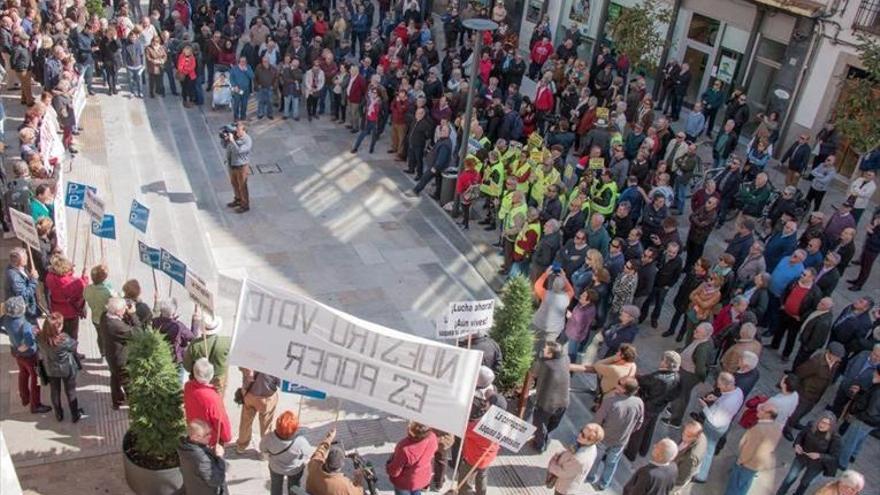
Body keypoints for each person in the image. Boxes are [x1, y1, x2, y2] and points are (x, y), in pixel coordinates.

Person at [586, 376, 644, 491]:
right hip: (621, 440)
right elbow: (639, 423)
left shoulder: (610, 402)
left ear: (623, 389)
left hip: (603, 438)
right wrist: (627, 432)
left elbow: (597, 421)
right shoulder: (639, 403)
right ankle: (604, 483)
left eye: (619, 383)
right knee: (611, 463)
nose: (616, 384)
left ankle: (590, 477)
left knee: (595, 459)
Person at [624, 351, 681, 460]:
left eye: (663, 360)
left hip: (647, 406)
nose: (661, 361)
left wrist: (635, 374)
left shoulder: (659, 377)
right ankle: (643, 449)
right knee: (649, 429)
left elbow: (642, 381)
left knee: (638, 430)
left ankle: (631, 453)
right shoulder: (677, 377)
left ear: (666, 363)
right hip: (658, 407)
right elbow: (676, 394)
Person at [0, 296, 51, 414]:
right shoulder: (26, 326)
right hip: (31, 356)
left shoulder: (6, 319)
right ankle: (35, 405)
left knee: (23, 374)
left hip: (16, 353)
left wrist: (8, 335)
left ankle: (25, 398)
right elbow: (29, 342)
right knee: (36, 379)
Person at [785, 343, 844, 440]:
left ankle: (795, 422)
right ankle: (787, 427)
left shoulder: (835, 363)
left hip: (816, 394)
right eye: (836, 356)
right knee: (797, 411)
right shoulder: (816, 362)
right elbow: (800, 372)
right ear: (829, 353)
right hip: (805, 392)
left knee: (806, 410)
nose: (839, 359)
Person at [693, 371, 743, 483]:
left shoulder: (728, 403)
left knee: (708, 450)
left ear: (727, 385)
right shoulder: (738, 391)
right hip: (724, 424)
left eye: (720, 386)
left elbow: (714, 420)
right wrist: (716, 399)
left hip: (714, 427)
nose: (718, 388)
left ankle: (701, 476)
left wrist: (705, 407)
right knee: (708, 448)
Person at [776, 412, 841, 495]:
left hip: (817, 464)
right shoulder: (811, 425)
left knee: (804, 483)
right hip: (802, 457)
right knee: (790, 478)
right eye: (821, 421)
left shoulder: (835, 438)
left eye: (827, 424)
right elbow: (800, 436)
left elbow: (834, 457)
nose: (822, 425)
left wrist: (819, 455)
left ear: (831, 426)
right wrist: (797, 445)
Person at [665, 322, 715, 428]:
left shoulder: (702, 348)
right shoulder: (703, 340)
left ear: (706, 335)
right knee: (679, 393)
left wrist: (701, 379)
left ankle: (675, 420)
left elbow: (700, 368)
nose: (694, 332)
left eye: (697, 331)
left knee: (681, 396)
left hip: (689, 374)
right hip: (686, 371)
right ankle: (673, 409)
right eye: (695, 329)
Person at [724, 403, 781, 495]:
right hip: (757, 465)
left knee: (734, 487)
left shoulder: (759, 429)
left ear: (768, 414)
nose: (759, 409)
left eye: (762, 409)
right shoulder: (777, 427)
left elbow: (749, 450)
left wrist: (741, 461)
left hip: (746, 464)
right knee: (743, 486)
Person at [529, 341, 570, 452]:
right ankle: (546, 438)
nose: (543, 351)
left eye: (545, 350)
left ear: (551, 354)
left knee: (539, 424)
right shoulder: (565, 359)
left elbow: (534, 372)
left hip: (546, 403)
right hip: (564, 401)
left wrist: (540, 359)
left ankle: (539, 445)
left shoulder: (546, 365)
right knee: (552, 424)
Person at [836, 365, 879, 470]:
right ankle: (853, 455)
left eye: (876, 372)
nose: (873, 373)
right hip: (872, 422)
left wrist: (858, 415)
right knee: (860, 439)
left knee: (849, 440)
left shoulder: (878, 390)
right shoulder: (877, 386)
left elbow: (871, 411)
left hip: (864, 420)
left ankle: (842, 462)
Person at [183, 358, 232, 447]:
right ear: (211, 375)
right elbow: (221, 421)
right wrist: (226, 438)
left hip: (193, 432)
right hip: (208, 439)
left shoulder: (188, 386)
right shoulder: (212, 397)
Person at [261, 411, 312, 495]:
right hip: (294, 470)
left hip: (275, 467)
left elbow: (262, 449)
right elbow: (307, 453)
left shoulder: (269, 438)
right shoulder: (300, 442)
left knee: (275, 487)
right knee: (294, 488)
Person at [547, 423, 604, 495]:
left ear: (590, 441)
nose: (579, 435)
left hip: (564, 488)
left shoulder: (580, 459)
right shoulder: (591, 447)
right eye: (581, 431)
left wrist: (553, 463)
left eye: (583, 435)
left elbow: (563, 473)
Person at [45, 255, 89, 344]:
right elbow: (83, 288)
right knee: (72, 335)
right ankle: (73, 352)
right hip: (71, 312)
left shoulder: (49, 277)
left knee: (60, 331)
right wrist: (85, 277)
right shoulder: (74, 283)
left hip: (57, 309)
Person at [184, 313, 231, 397]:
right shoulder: (226, 342)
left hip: (200, 379)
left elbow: (187, 366)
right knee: (217, 400)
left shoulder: (194, 345)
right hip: (218, 379)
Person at [306, 427, 362, 495]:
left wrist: (329, 438)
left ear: (326, 459)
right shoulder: (344, 485)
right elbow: (358, 493)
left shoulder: (314, 463)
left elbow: (320, 450)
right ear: (341, 466)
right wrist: (358, 480)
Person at [178, 420, 229, 495]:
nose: (210, 436)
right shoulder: (201, 459)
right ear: (195, 437)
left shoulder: (185, 446)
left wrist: (210, 451)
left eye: (210, 432)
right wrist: (220, 457)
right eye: (206, 434)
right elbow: (216, 480)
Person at [236, 369, 280, 454]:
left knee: (245, 422)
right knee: (266, 425)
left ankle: (241, 446)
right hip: (266, 398)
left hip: (248, 394)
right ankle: (265, 451)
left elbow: (241, 366)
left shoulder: (250, 356)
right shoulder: (275, 362)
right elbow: (280, 382)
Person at [386, 422, 438, 495]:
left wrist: (388, 464)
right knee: (417, 491)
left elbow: (394, 471)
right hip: (421, 477)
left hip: (404, 482)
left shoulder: (405, 447)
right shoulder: (432, 437)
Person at [102, 297, 135, 409]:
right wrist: (133, 315)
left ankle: (116, 401)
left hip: (111, 355)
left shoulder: (104, 316)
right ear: (117, 312)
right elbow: (137, 333)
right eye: (123, 309)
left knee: (115, 379)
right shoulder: (117, 326)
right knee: (127, 384)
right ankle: (133, 405)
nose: (125, 310)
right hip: (121, 360)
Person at [828, 344, 880, 416]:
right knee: (838, 402)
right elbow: (850, 363)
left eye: (878, 357)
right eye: (875, 354)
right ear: (872, 351)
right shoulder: (863, 354)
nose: (875, 358)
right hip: (846, 384)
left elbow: (875, 386)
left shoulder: (878, 370)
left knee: (849, 412)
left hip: (858, 395)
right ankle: (833, 414)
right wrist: (846, 377)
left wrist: (861, 390)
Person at [153, 298, 196, 383]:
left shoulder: (154, 322)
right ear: (173, 313)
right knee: (176, 383)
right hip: (176, 359)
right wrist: (195, 321)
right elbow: (192, 337)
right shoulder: (178, 326)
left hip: (161, 357)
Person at [793, 297, 835, 369]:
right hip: (806, 340)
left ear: (827, 308)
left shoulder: (823, 322)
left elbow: (816, 337)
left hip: (808, 345)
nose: (819, 304)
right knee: (799, 358)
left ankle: (795, 373)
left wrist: (808, 347)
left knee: (800, 360)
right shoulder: (820, 311)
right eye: (820, 302)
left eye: (822, 304)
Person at [83, 264, 114, 358]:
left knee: (100, 336)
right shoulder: (107, 292)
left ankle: (102, 353)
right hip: (106, 318)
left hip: (95, 318)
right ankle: (108, 354)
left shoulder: (88, 289)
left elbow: (85, 296)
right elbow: (115, 300)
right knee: (108, 337)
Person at [5, 247, 41, 323]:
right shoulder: (14, 277)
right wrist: (34, 280)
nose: (27, 258)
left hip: (30, 307)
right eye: (24, 257)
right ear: (17, 260)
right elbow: (24, 295)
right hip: (24, 310)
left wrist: (30, 277)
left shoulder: (21, 268)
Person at [224, 121, 252, 213]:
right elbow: (226, 147)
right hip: (232, 164)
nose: (236, 132)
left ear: (244, 130)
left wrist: (232, 141)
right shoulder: (235, 137)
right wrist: (226, 139)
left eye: (239, 130)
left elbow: (239, 151)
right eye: (236, 130)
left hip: (241, 166)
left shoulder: (247, 140)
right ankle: (238, 199)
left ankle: (245, 205)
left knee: (242, 186)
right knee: (234, 183)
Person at [673, 420, 707, 492]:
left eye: (688, 436)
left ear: (696, 437)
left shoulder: (691, 457)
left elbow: (681, 479)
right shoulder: (700, 435)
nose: (683, 437)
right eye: (683, 433)